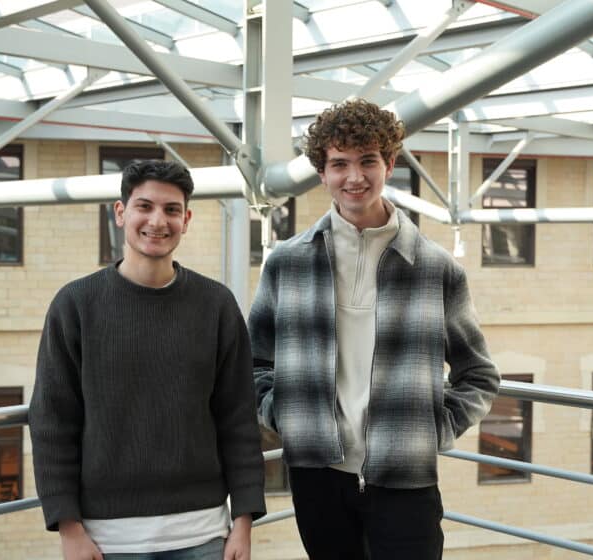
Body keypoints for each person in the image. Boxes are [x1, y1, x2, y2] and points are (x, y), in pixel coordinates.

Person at [248, 99, 500, 560]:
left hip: (406, 480)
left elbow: (478, 374)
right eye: (339, 164)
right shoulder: (287, 263)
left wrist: (433, 430)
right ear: (322, 173)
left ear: (390, 163)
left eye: (367, 161)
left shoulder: (435, 268)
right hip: (316, 476)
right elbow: (254, 363)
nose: (354, 177)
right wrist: (285, 416)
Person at [30, 160, 265, 560]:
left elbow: (238, 419)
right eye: (145, 206)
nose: (158, 221)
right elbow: (52, 421)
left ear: (186, 220)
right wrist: (68, 528)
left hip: (204, 535)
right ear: (121, 213)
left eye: (172, 210)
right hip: (107, 541)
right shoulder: (75, 305)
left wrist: (243, 521)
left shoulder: (217, 305)